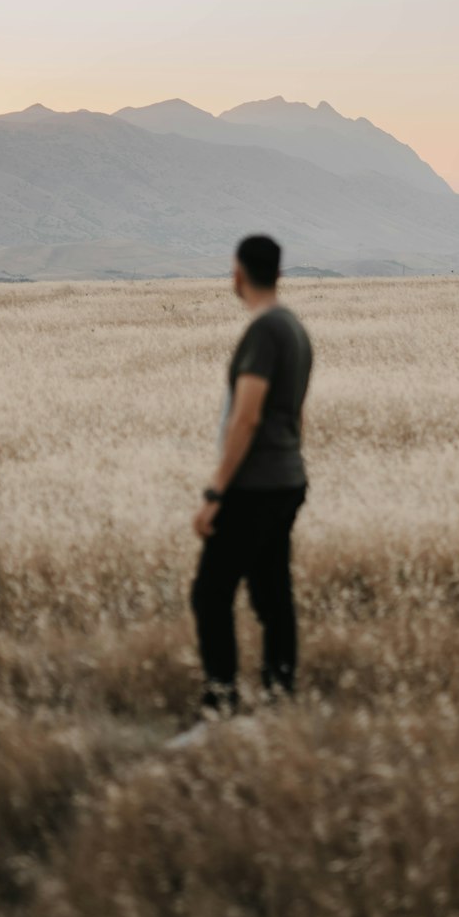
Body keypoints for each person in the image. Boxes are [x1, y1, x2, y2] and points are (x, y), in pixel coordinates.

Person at [190, 233, 313, 717]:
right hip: (287, 479)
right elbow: (297, 415)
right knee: (271, 593)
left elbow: (246, 417)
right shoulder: (295, 329)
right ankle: (280, 698)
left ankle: (219, 706)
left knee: (210, 594)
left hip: (255, 485)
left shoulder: (264, 332)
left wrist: (216, 491)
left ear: (238, 274)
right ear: (279, 274)